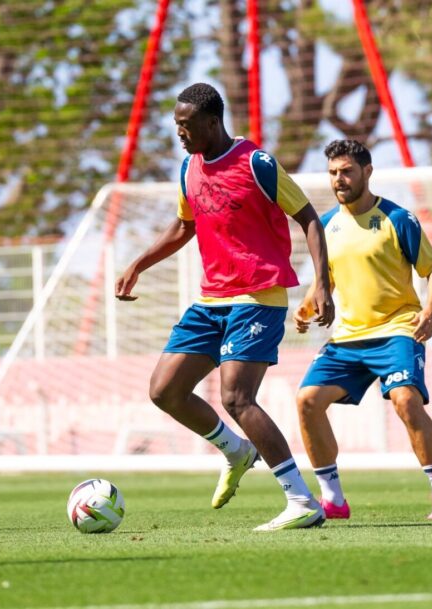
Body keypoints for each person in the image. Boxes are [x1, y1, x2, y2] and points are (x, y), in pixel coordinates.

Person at [115, 83, 335, 531]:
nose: (179, 133)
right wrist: (139, 263)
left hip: (259, 295)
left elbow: (309, 217)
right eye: (176, 124)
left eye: (186, 125)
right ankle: (235, 450)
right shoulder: (187, 169)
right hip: (211, 299)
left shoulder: (257, 163)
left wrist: (322, 284)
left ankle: (301, 500)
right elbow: (183, 227)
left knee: (236, 396)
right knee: (165, 391)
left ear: (212, 123)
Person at [293, 140, 432, 521]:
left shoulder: (398, 219)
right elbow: (325, 280)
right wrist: (305, 307)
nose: (340, 179)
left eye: (347, 171)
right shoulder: (326, 225)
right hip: (347, 338)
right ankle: (333, 499)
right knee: (307, 401)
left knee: (405, 400)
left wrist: (431, 310)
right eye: (334, 172)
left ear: (367, 172)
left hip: (397, 329)